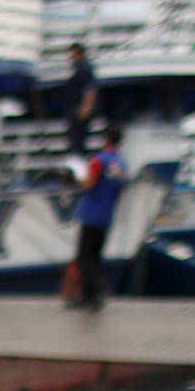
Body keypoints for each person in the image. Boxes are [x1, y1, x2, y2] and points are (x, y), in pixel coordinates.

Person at [62, 125, 127, 310]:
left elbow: (88, 184)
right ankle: (94, 294)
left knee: (85, 256)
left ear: (105, 139)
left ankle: (91, 296)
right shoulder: (121, 163)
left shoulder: (98, 160)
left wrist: (73, 178)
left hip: (91, 214)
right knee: (96, 256)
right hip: (107, 214)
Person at [61, 41, 97, 157]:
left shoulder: (84, 67)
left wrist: (86, 107)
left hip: (80, 110)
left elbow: (90, 89)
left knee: (79, 141)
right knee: (74, 140)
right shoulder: (76, 67)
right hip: (74, 108)